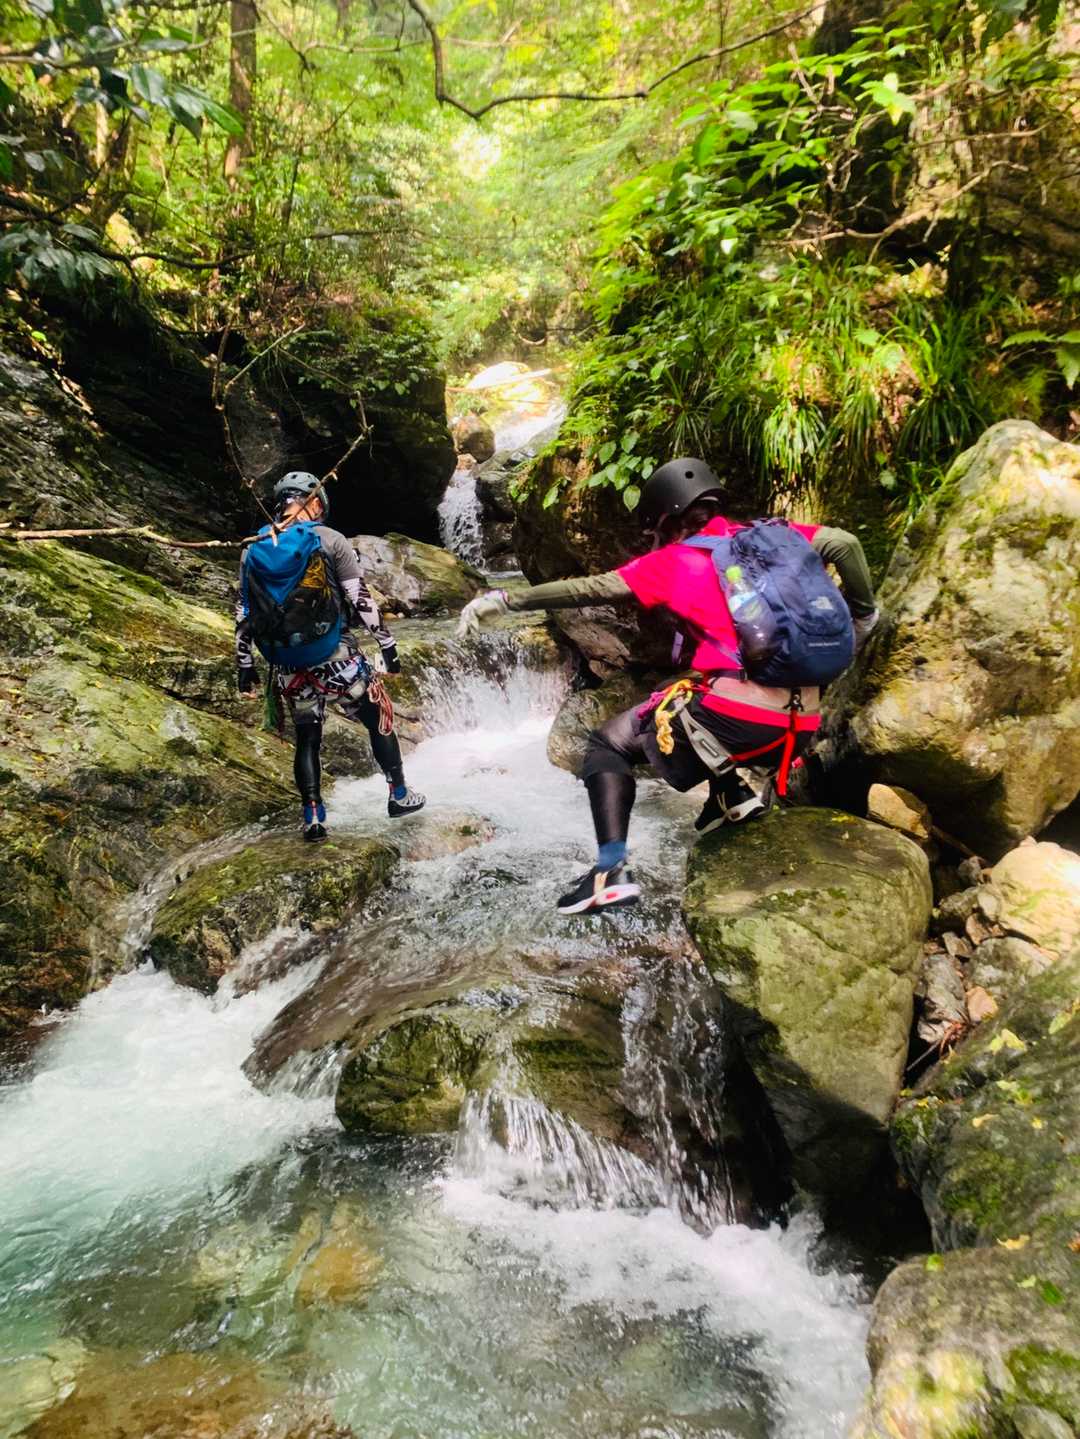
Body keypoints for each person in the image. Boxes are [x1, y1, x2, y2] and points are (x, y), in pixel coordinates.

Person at [457, 457, 878, 914]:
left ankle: (608, 873)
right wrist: (864, 615)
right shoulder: (774, 536)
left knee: (607, 744)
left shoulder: (672, 562)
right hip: (802, 724)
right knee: (688, 693)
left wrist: (505, 599)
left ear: (665, 517)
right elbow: (845, 543)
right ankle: (731, 796)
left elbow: (588, 589)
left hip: (741, 722)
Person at [236, 471, 425, 841]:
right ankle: (399, 795)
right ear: (315, 503)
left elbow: (244, 612)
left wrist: (244, 665)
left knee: (308, 736)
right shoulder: (331, 540)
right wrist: (387, 646)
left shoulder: (253, 546)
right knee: (378, 715)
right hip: (337, 659)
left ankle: (313, 817)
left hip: (288, 665)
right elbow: (360, 599)